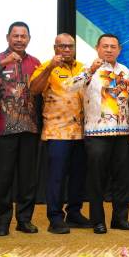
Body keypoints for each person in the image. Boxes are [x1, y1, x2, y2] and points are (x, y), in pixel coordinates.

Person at [0, 22, 41, 236]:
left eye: (23, 36)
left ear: (29, 39)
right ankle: (3, 222)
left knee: (27, 178)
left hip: (29, 128)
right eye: (16, 36)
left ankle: (24, 220)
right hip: (3, 130)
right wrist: (2, 63)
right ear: (8, 38)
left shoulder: (35, 62)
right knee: (3, 178)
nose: (19, 39)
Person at [29, 34, 91, 234]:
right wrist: (49, 68)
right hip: (57, 131)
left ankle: (74, 213)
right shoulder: (46, 67)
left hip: (80, 131)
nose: (66, 49)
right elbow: (34, 90)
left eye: (70, 46)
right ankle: (55, 217)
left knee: (78, 176)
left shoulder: (83, 67)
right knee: (56, 177)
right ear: (55, 48)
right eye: (62, 46)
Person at [78, 34, 129, 234]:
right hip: (97, 133)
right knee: (97, 180)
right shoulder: (88, 68)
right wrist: (90, 71)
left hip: (121, 132)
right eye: (105, 46)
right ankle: (98, 221)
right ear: (97, 48)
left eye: (113, 47)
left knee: (122, 179)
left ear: (119, 50)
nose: (109, 50)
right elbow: (71, 86)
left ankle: (120, 219)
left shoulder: (124, 70)